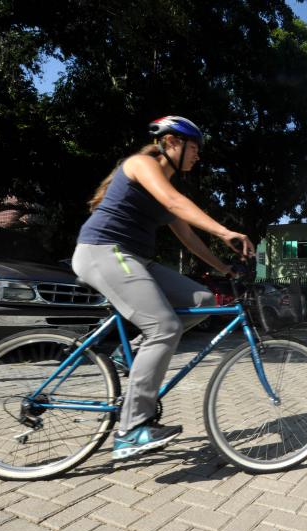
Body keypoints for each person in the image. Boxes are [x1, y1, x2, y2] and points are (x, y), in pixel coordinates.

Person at [72, 115, 254, 460]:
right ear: (171, 142)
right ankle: (131, 430)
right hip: (103, 251)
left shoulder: (167, 187)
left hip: (134, 259)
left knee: (202, 299)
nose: (197, 156)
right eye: (194, 148)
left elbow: (190, 240)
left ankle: (138, 353)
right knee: (165, 326)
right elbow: (174, 204)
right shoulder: (141, 164)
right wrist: (225, 231)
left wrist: (225, 267)